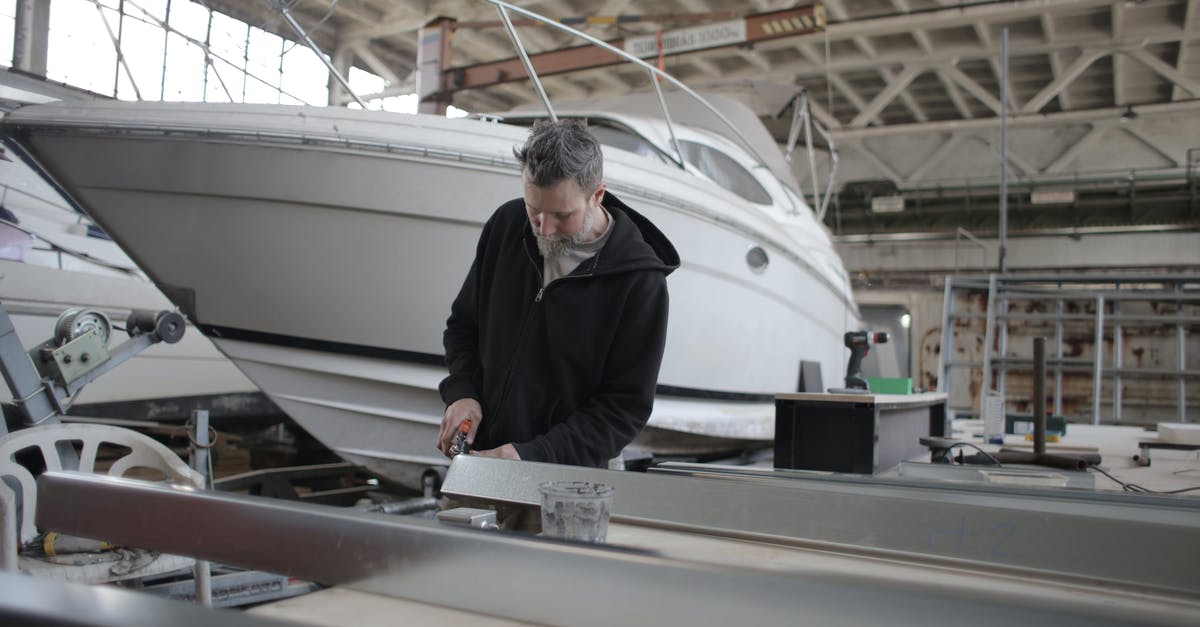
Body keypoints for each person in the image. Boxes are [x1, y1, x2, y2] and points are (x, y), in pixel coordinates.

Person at [436, 119, 679, 467]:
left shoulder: (640, 281)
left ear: (597, 195)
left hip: (567, 485)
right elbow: (463, 328)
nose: (545, 229)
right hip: (480, 463)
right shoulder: (505, 227)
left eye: (561, 215)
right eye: (534, 209)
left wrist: (533, 455)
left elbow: (624, 408)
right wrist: (463, 394)